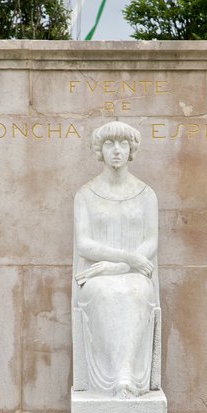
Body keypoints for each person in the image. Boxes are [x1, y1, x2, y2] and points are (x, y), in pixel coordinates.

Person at [72, 121, 161, 399]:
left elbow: (150, 242)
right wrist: (125, 258)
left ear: (132, 150)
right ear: (100, 150)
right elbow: (84, 244)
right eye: (110, 144)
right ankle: (116, 377)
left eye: (123, 144)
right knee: (104, 292)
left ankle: (124, 376)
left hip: (134, 275)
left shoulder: (146, 195)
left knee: (135, 291)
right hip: (96, 276)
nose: (117, 151)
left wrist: (120, 266)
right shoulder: (85, 195)